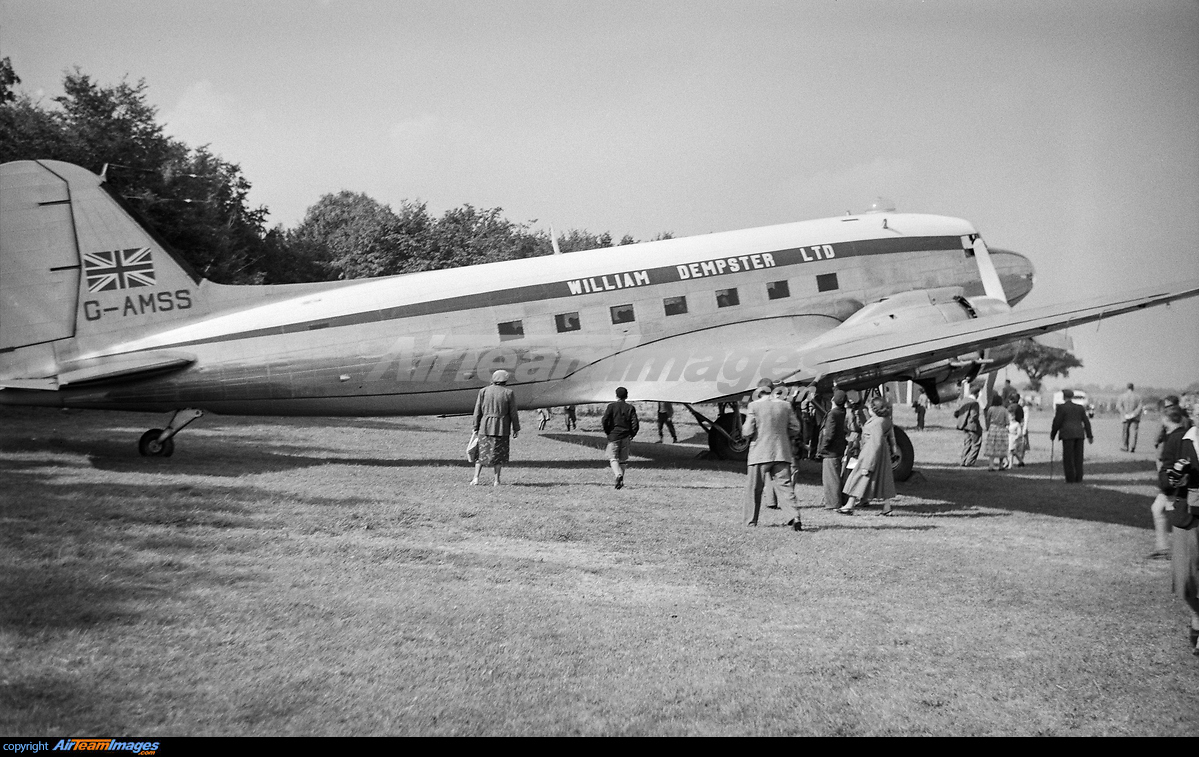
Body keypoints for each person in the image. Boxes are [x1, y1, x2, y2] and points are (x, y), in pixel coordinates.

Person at [742, 378, 803, 530]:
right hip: (781, 452)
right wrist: (783, 434)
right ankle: (794, 517)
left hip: (759, 453)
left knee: (754, 489)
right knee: (785, 487)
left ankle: (750, 522)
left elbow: (747, 431)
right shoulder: (785, 405)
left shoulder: (754, 406)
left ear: (758, 390)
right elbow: (796, 428)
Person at [1162, 418, 1199, 654]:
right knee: (1184, 579)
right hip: (1188, 515)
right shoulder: (1180, 439)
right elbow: (1164, 479)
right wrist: (1175, 476)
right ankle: (1197, 613)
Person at [839, 396, 898, 515]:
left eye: (870, 406)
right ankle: (887, 508)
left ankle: (849, 505)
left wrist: (868, 465)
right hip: (882, 454)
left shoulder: (876, 423)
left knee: (858, 478)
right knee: (883, 481)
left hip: (869, 454)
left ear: (874, 409)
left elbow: (875, 443)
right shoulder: (885, 419)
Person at [1150, 407, 1189, 559]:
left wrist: (1168, 483)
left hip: (1172, 484)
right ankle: (1163, 547)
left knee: (1174, 515)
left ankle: (1173, 549)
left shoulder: (1174, 438)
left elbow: (1172, 462)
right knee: (1157, 509)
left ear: (1166, 419)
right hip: (1173, 483)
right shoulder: (1182, 434)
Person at [471, 369, 520, 486]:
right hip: (502, 428)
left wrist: (475, 426)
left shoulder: (483, 391)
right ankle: (496, 480)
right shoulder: (508, 393)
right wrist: (516, 428)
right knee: (499, 455)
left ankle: (476, 478)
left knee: (481, 454)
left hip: (485, 426)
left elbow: (477, 410)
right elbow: (513, 412)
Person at [816, 389, 849, 510]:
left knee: (830, 479)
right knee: (836, 476)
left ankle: (833, 503)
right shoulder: (842, 412)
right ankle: (838, 500)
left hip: (830, 451)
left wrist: (822, 448)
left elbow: (828, 434)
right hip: (839, 449)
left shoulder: (832, 414)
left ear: (833, 400)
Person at [1050, 389, 1093, 483]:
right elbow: (1086, 422)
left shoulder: (1061, 408)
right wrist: (1089, 435)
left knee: (1068, 458)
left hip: (1067, 435)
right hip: (1079, 434)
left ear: (1064, 397)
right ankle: (1078, 478)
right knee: (1078, 457)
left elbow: (1057, 422)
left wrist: (1053, 434)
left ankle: (1070, 478)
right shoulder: (1080, 408)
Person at [602, 387, 639, 489]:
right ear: (626, 396)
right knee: (623, 460)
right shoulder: (630, 408)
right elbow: (635, 423)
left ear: (616, 395)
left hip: (613, 436)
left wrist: (608, 432)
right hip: (626, 436)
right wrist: (632, 434)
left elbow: (605, 420)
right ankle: (621, 480)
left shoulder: (611, 407)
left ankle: (618, 475)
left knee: (613, 458)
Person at [953, 388, 983, 467]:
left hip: (964, 426)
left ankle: (963, 461)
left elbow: (956, 413)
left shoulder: (963, 400)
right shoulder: (975, 403)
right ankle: (970, 462)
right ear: (976, 394)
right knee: (976, 444)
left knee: (967, 444)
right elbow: (974, 415)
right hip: (972, 426)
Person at [982, 394, 1010, 471]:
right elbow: (1007, 421)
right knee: (1002, 447)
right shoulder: (1004, 409)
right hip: (1001, 429)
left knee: (991, 447)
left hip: (993, 428)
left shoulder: (991, 409)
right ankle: (1001, 465)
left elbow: (988, 419)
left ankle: (991, 465)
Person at [1117, 383, 1144, 452]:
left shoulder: (1122, 396)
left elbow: (1119, 406)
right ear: (1133, 388)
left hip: (1125, 416)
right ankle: (1132, 447)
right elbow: (1140, 407)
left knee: (1125, 432)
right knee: (1134, 432)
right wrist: (1134, 413)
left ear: (1127, 388)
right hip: (1135, 416)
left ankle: (1125, 446)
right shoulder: (1138, 397)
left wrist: (1124, 413)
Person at [1006, 396, 1028, 469]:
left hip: (1014, 438)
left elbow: (1019, 432)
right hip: (1010, 438)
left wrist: (1017, 436)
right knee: (1012, 451)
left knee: (1011, 451)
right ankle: (1020, 461)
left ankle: (1010, 464)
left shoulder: (1016, 424)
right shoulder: (1011, 423)